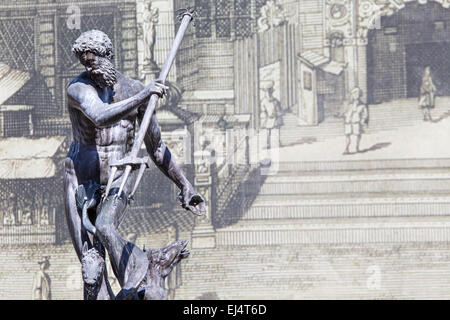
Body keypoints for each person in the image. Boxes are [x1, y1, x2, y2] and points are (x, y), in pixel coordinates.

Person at [64, 30, 205, 299]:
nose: (88, 68)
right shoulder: (78, 88)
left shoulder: (134, 90)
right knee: (92, 267)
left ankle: (141, 273)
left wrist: (185, 185)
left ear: (107, 56)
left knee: (105, 226)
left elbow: (157, 148)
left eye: (92, 61)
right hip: (80, 181)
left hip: (119, 175)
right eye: (84, 63)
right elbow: (100, 116)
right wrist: (145, 96)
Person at [343, 87, 369, 155]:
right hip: (348, 122)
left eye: (357, 93)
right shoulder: (348, 104)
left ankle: (357, 148)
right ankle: (346, 149)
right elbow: (344, 112)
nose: (355, 95)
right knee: (347, 135)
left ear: (360, 94)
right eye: (354, 93)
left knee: (358, 135)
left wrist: (363, 120)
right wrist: (346, 116)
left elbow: (365, 114)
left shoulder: (362, 104)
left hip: (356, 122)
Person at [260, 80, 283, 149]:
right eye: (268, 91)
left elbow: (279, 109)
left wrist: (277, 114)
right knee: (267, 131)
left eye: (270, 91)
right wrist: (266, 115)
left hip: (275, 117)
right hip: (268, 118)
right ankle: (267, 144)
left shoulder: (275, 101)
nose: (269, 92)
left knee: (277, 131)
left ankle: (278, 142)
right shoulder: (263, 101)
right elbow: (263, 110)